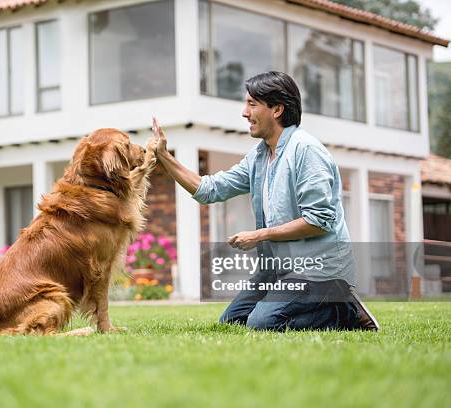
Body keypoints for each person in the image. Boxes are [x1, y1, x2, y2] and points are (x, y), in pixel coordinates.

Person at [152, 71, 378, 331]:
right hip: (278, 270)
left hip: (319, 272)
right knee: (232, 322)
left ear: (277, 109)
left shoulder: (306, 151)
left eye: (252, 104)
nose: (244, 112)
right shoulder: (259, 157)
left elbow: (319, 221)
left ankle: (344, 310)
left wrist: (260, 235)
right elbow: (210, 189)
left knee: (263, 323)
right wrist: (164, 157)